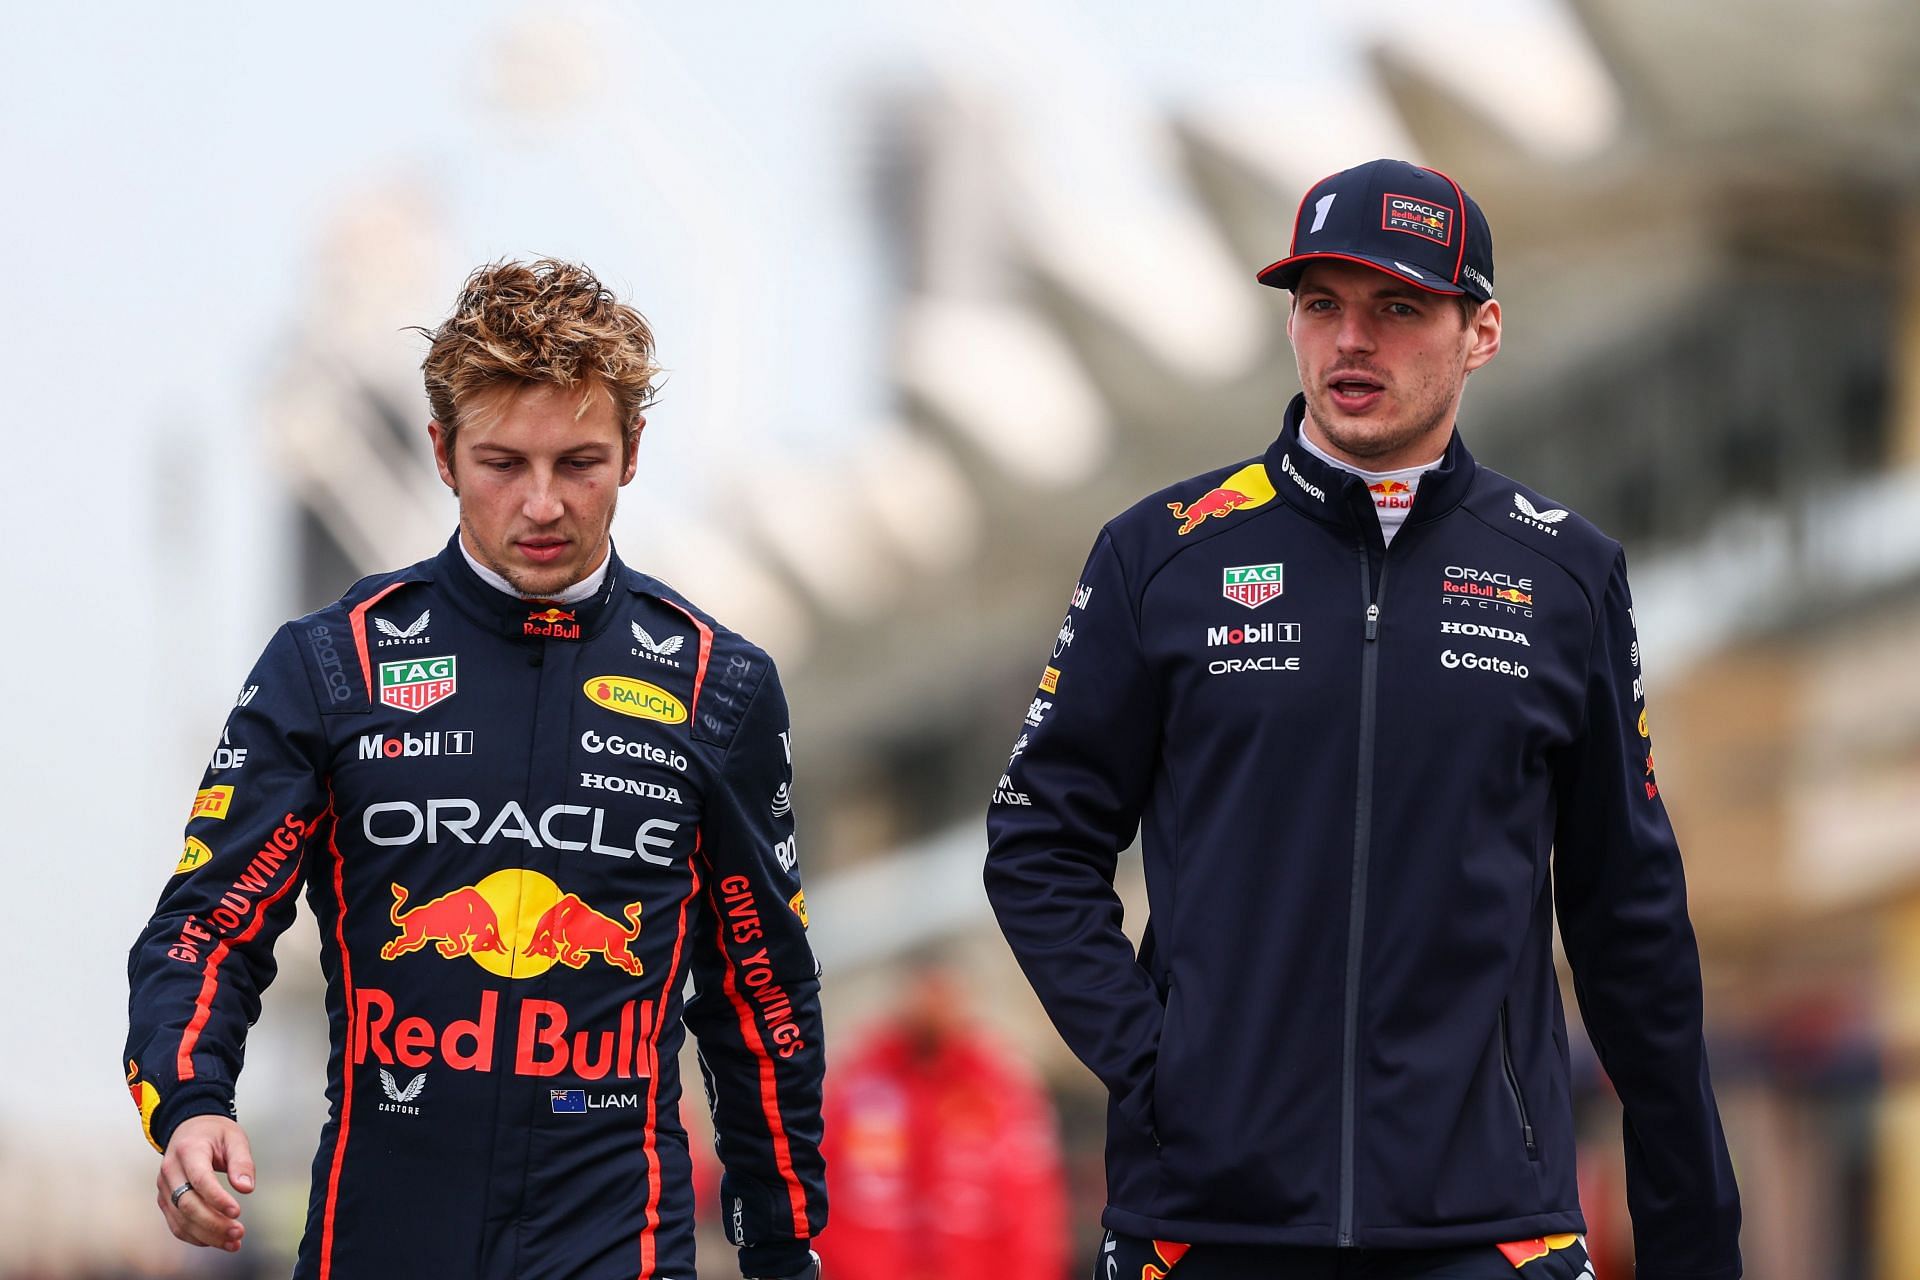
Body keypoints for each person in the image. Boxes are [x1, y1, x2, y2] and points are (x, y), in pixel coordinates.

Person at [984, 159, 1741, 1280]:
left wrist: (1695, 1244)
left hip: (1490, 1229)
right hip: (1206, 1226)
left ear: (1481, 331)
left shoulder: (1566, 574)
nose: (1352, 341)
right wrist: (1163, 1066)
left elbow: (1629, 916)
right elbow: (1038, 838)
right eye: (1321, 304)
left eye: (1398, 307)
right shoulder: (1162, 553)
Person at [125, 259, 826, 1280]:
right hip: (382, 1238)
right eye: (503, 462)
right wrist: (189, 1104)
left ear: (633, 452)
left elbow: (761, 988)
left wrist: (780, 1237)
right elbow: (207, 922)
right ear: (442, 454)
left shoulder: (719, 683)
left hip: (615, 1244)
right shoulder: (333, 664)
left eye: (579, 461)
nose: (542, 503)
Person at [818, 958, 1067, 1280]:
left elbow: (1033, 1207)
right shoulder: (855, 1086)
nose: (933, 1005)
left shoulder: (1000, 1088)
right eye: (924, 992)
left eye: (944, 993)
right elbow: (817, 1180)